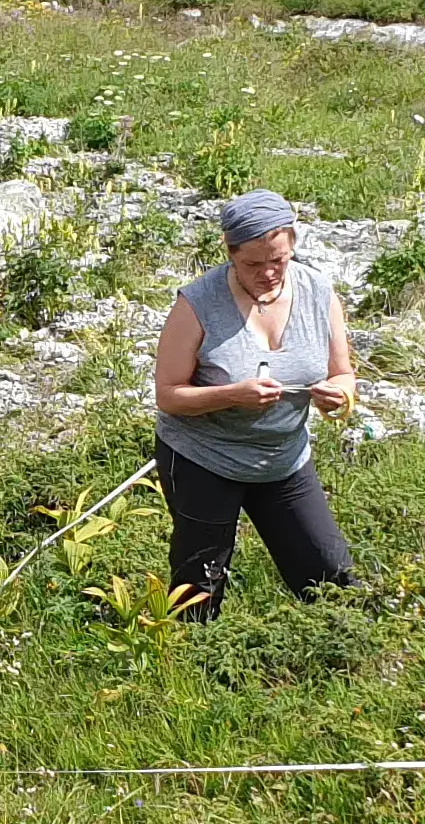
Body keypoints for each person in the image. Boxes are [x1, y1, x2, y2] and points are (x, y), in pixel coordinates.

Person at [153, 190, 359, 618]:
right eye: (252, 264)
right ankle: (190, 667)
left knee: (330, 575)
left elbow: (343, 374)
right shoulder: (196, 304)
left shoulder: (318, 291)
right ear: (230, 253)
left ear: (292, 246)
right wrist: (233, 395)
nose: (268, 273)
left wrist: (338, 398)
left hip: (282, 459)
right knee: (199, 586)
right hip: (203, 458)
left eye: (278, 260)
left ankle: (346, 654)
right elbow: (169, 396)